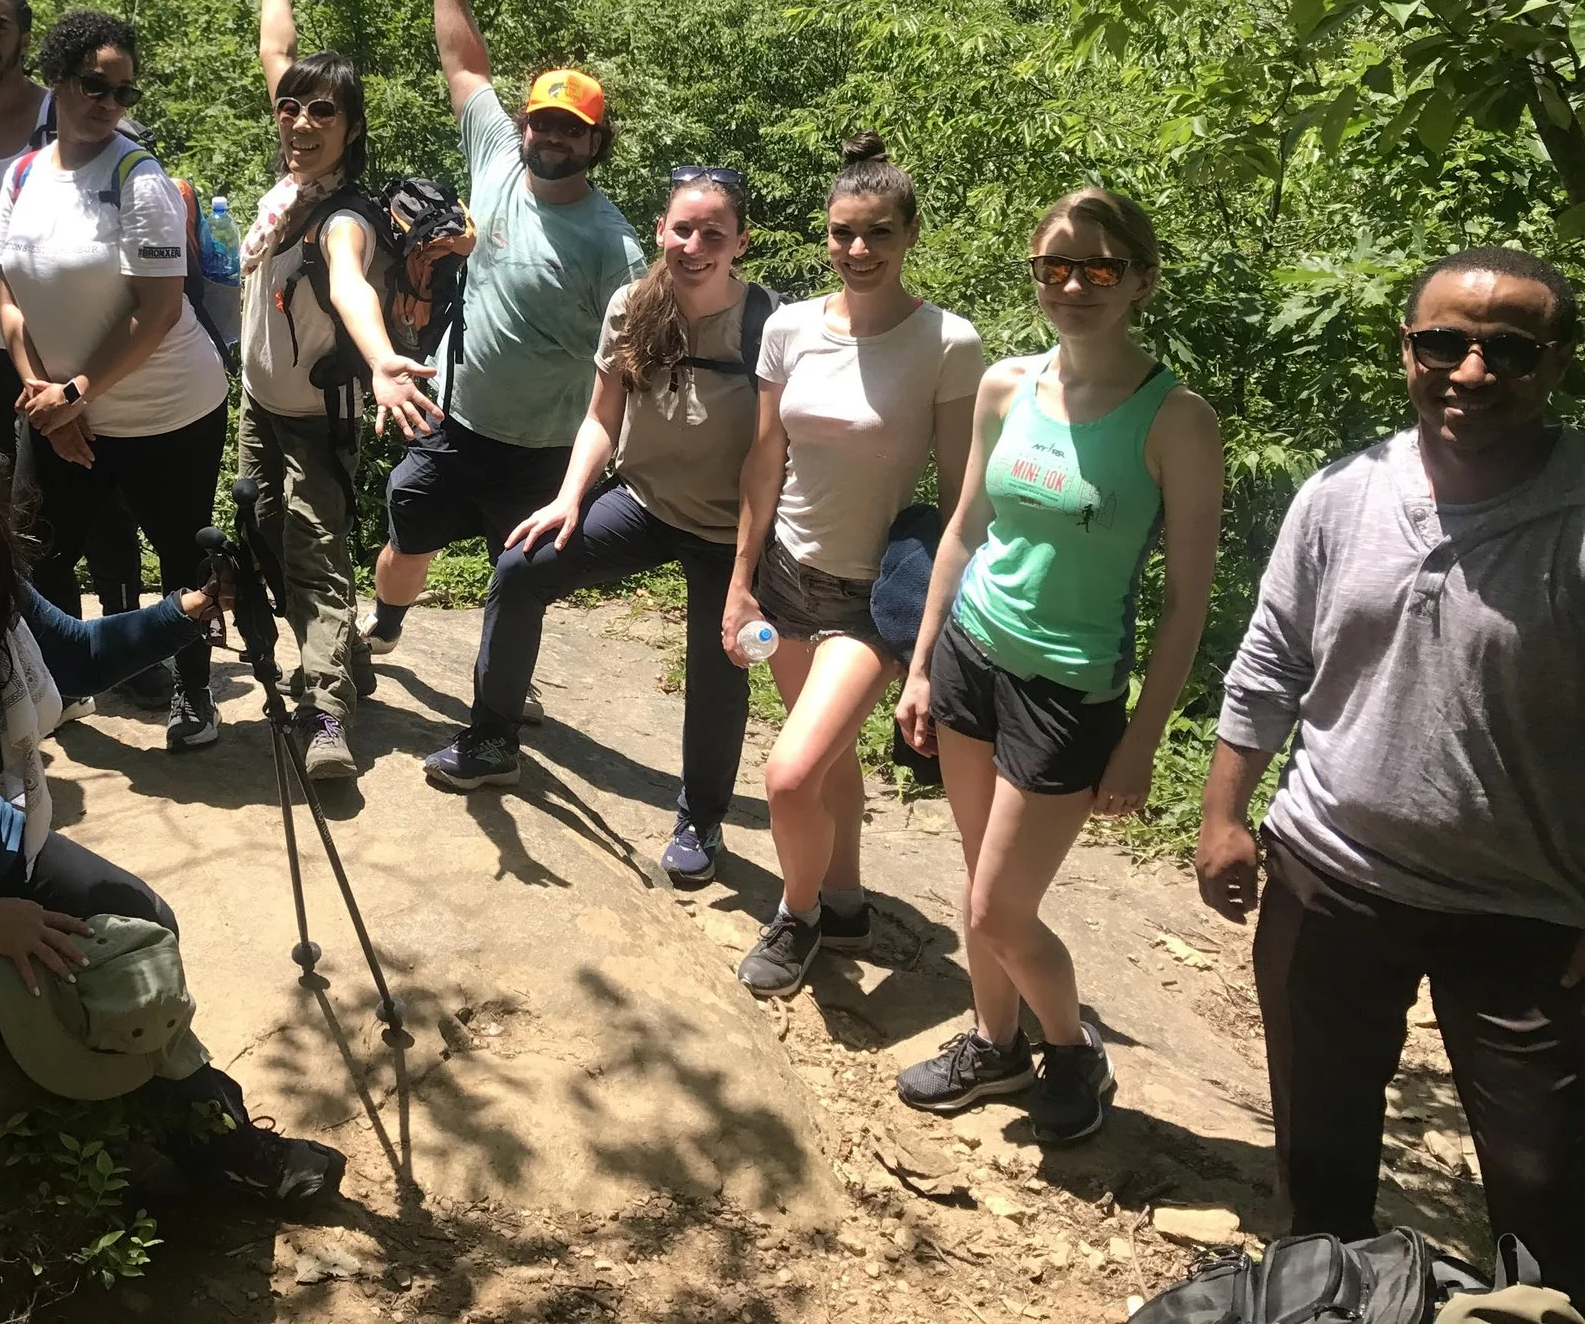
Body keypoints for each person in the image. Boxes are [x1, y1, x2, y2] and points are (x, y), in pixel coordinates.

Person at [0, 435, 346, 1204]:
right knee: (100, 980)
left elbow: (75, 655)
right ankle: (219, 1147)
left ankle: (197, 1130)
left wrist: (192, 610)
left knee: (142, 919)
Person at [1197, 246, 1582, 1285]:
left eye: (1509, 351)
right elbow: (1271, 659)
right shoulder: (1343, 493)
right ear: (1406, 349)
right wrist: (1223, 816)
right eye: (1442, 343)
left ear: (1557, 362)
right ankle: (1326, 1300)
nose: (1471, 372)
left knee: (1544, 1189)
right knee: (1320, 1164)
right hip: (1331, 876)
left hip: (1530, 909)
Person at [890, 189, 1223, 1143]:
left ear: (1141, 282)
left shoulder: (1176, 420)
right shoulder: (1005, 384)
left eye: (1101, 267)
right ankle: (995, 1044)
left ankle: (1074, 1051)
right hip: (971, 652)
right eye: (1056, 266)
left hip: (1069, 689)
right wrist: (921, 664)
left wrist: (1141, 742)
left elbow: (1186, 602)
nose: (1075, 285)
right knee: (977, 880)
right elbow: (964, 529)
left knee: (1000, 906)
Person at [424, 169, 776, 879]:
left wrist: (747, 571)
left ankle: (701, 820)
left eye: (713, 233)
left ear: (740, 242)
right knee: (521, 567)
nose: (695, 246)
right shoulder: (632, 306)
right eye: (683, 229)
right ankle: (493, 740)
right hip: (644, 501)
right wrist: (569, 498)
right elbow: (601, 417)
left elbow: (772, 454)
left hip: (726, 527)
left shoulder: (768, 322)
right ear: (660, 230)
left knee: (721, 663)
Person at [361, 0, 645, 690]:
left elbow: (631, 363)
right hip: (451, 417)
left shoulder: (613, 244)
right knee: (405, 538)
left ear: (595, 142)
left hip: (543, 447)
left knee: (516, 576)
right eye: (541, 122)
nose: (551, 136)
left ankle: (500, 697)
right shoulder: (496, 158)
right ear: (522, 125)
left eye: (570, 128)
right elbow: (465, 68)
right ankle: (385, 622)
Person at [724, 133, 984, 999]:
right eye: (843, 232)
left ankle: (795, 914)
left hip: (872, 597)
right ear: (826, 232)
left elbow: (962, 497)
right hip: (785, 576)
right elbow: (765, 459)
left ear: (911, 234)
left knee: (790, 772)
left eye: (878, 232)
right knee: (830, 761)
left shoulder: (947, 343)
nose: (859, 249)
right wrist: (740, 581)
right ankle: (841, 903)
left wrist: (933, 643)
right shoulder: (789, 327)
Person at [0, 0, 159, 702]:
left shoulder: (77, 109)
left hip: (75, 344)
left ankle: (128, 650)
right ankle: (49, 659)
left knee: (103, 499)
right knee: (19, 511)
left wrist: (71, 381)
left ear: (26, 38)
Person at [0, 8, 230, 751]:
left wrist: (74, 395)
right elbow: (9, 296)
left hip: (169, 412)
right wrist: (44, 396)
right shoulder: (23, 175)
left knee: (182, 557)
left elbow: (158, 311)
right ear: (56, 80)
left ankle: (195, 693)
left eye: (124, 92)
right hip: (66, 412)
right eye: (95, 85)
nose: (110, 103)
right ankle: (60, 683)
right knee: (35, 552)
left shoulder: (139, 177)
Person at [246, 0, 443, 783]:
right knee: (267, 541)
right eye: (290, 108)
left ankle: (325, 713)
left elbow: (350, 284)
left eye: (321, 112)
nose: (299, 120)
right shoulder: (289, 190)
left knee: (314, 554)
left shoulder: (342, 216)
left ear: (350, 130)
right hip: (259, 407)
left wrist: (380, 356)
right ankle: (347, 659)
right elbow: (276, 47)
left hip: (314, 419)